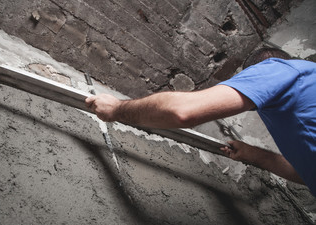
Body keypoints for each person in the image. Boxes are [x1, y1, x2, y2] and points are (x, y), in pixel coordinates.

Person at [85, 47, 316, 196]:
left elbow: (181, 112)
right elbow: (306, 173)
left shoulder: (276, 69)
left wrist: (116, 108)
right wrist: (254, 154)